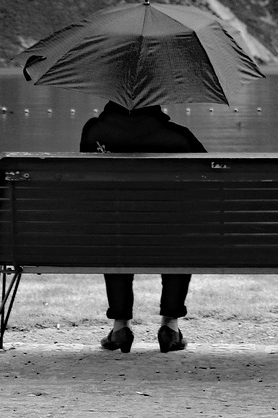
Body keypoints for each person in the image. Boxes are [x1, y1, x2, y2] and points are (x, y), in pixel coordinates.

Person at [79, 100, 206, 354]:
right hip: (168, 233)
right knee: (178, 233)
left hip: (115, 231)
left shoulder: (94, 133)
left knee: (115, 228)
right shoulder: (178, 137)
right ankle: (170, 325)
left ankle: (120, 326)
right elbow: (207, 176)